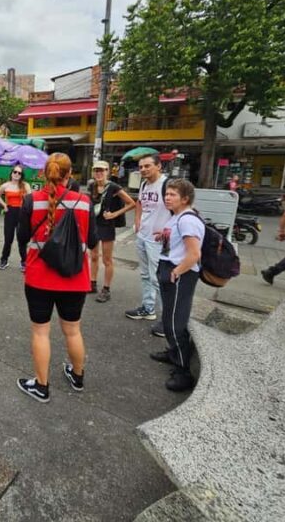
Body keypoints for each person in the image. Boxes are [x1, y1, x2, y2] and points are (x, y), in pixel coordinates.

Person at [15, 153, 98, 403]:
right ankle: (78, 376)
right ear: (69, 174)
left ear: (44, 172)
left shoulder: (31, 200)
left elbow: (22, 237)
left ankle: (41, 386)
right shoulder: (85, 201)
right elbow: (93, 241)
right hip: (75, 278)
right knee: (73, 331)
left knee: (41, 332)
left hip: (39, 277)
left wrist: (26, 261)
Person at [149, 179, 205, 392]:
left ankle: (183, 371)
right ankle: (173, 353)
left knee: (175, 322)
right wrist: (163, 236)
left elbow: (194, 254)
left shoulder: (187, 221)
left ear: (185, 198)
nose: (167, 197)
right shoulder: (177, 217)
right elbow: (178, 244)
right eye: (167, 194)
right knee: (168, 317)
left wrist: (176, 272)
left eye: (172, 194)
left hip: (180, 274)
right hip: (170, 268)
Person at [125, 154, 171, 338]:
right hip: (143, 236)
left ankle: (166, 320)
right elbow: (140, 203)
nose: (143, 169)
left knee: (159, 279)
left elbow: (181, 208)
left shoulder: (168, 185)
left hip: (159, 241)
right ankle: (148, 307)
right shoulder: (144, 184)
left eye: (147, 166)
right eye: (141, 167)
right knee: (145, 275)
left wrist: (170, 231)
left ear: (159, 166)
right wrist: (137, 221)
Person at [87, 161, 136, 302]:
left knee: (107, 259)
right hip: (94, 224)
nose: (99, 173)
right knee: (94, 256)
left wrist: (115, 214)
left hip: (107, 225)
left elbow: (132, 203)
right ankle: (92, 283)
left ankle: (106, 289)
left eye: (102, 170)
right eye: (96, 170)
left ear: (108, 171)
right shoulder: (92, 186)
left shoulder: (113, 187)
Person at [0, 165, 31, 271]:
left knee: (21, 239)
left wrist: (26, 206)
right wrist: (4, 205)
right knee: (8, 238)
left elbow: (30, 199)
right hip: (10, 212)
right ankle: (4, 260)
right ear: (11, 173)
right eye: (15, 172)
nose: (16, 174)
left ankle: (24, 261)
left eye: (19, 173)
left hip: (22, 213)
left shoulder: (25, 185)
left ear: (21, 175)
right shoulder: (6, 185)